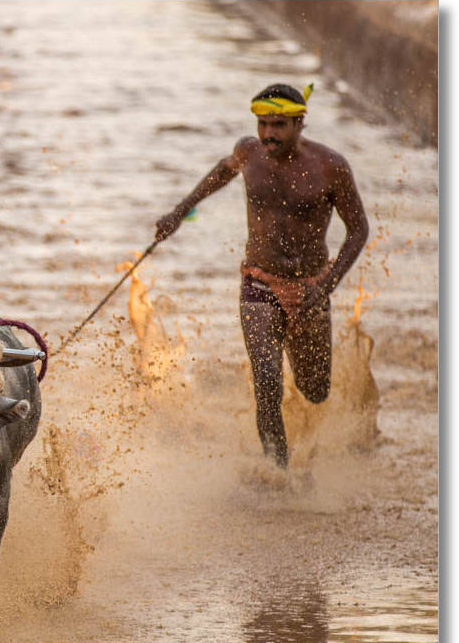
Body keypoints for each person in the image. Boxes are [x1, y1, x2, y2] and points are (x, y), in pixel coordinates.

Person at [155, 83, 369, 468]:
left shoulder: (330, 166)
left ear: (299, 123)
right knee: (267, 379)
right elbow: (220, 174)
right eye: (263, 124)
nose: (268, 134)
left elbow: (359, 230)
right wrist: (179, 212)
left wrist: (327, 284)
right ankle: (278, 474)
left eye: (279, 125)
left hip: (310, 290)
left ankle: (305, 423)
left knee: (315, 389)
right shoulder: (248, 153)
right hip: (259, 283)